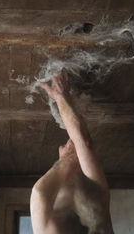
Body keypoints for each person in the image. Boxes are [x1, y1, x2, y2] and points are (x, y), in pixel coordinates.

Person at [30, 71, 114, 234]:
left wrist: (66, 159)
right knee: (84, 143)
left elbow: (39, 194)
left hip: (70, 186)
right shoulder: (96, 202)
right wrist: (61, 97)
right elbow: (86, 143)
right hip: (89, 205)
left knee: (82, 144)